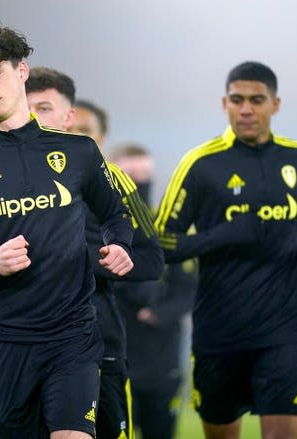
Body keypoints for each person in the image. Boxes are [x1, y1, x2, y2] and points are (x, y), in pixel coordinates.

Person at [0, 25, 134, 439]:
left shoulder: (78, 152)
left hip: (73, 337)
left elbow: (116, 215)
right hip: (3, 346)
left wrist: (119, 246)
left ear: (22, 71)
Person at [153, 61, 297, 439]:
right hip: (221, 327)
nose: (245, 109)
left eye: (256, 100)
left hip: (285, 326)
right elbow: (160, 244)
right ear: (224, 103)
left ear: (275, 105)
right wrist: (223, 235)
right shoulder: (199, 164)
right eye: (237, 100)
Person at [26, 68, 165, 439]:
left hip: (100, 336)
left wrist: (100, 262)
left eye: (85, 131)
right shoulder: (15, 183)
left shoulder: (116, 184)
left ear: (101, 139)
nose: (74, 137)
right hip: (28, 340)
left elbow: (152, 259)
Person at [110, 143, 196, 439]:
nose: (139, 183)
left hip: (162, 357)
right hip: (112, 352)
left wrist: (158, 313)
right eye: (131, 175)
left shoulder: (169, 226)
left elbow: (189, 288)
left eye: (145, 175)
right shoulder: (98, 225)